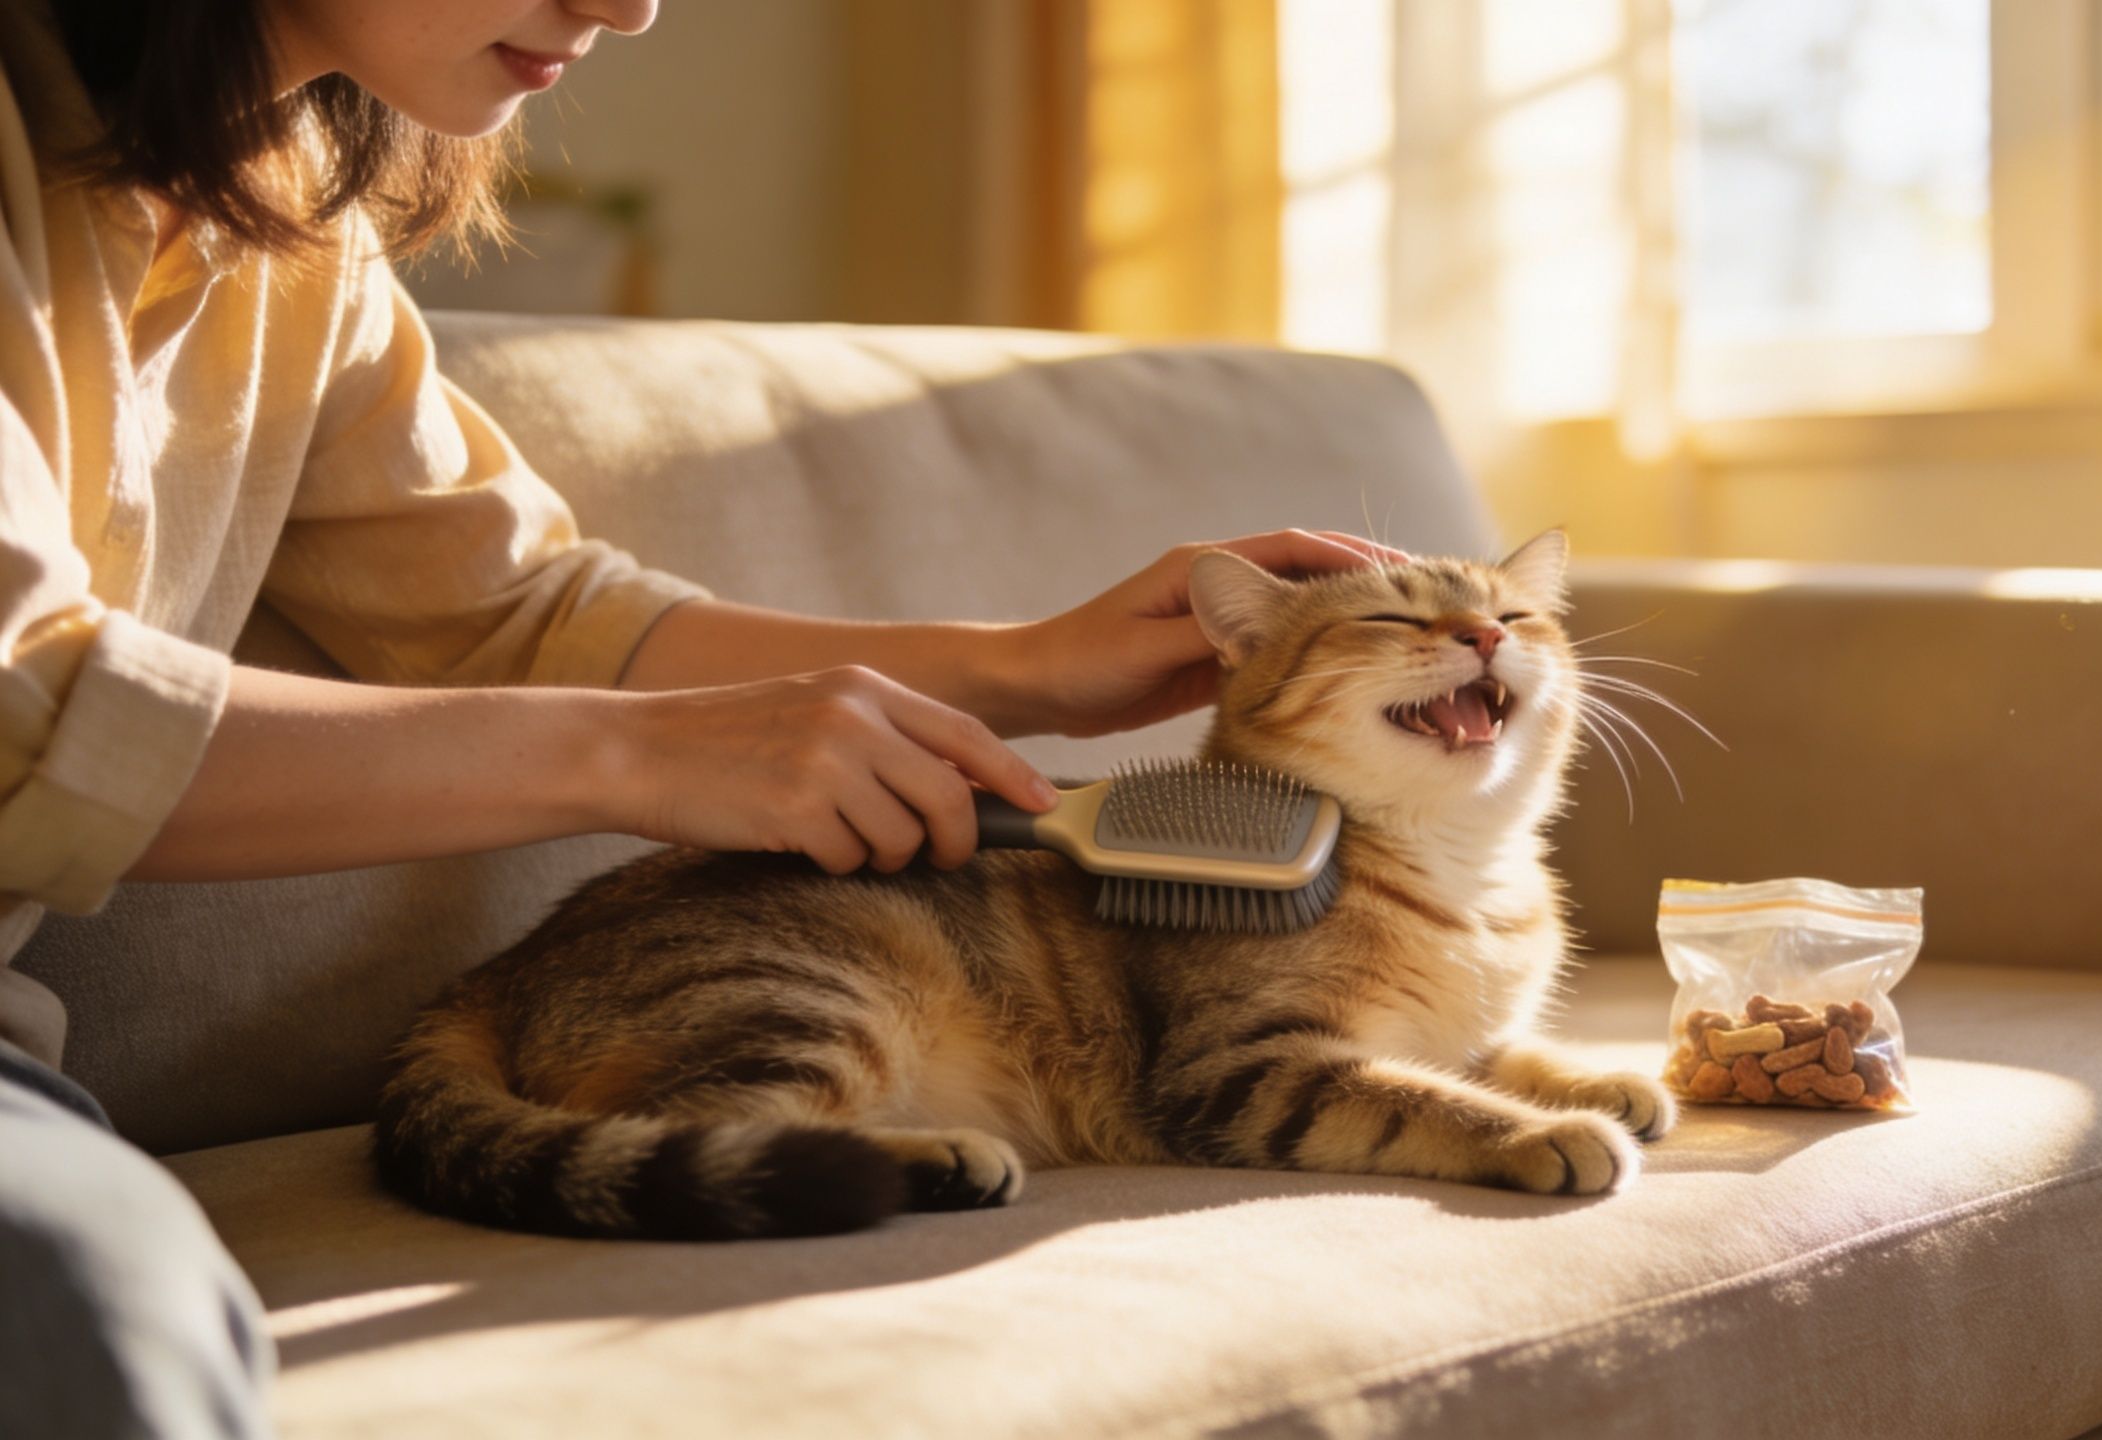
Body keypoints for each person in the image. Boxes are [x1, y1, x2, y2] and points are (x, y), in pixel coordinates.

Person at [0, 1, 1406, 1434]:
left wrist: (1026, 667)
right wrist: (640, 757)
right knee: (88, 1313)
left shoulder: (289, 211)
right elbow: (20, 707)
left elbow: (525, 611)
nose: (627, 5)